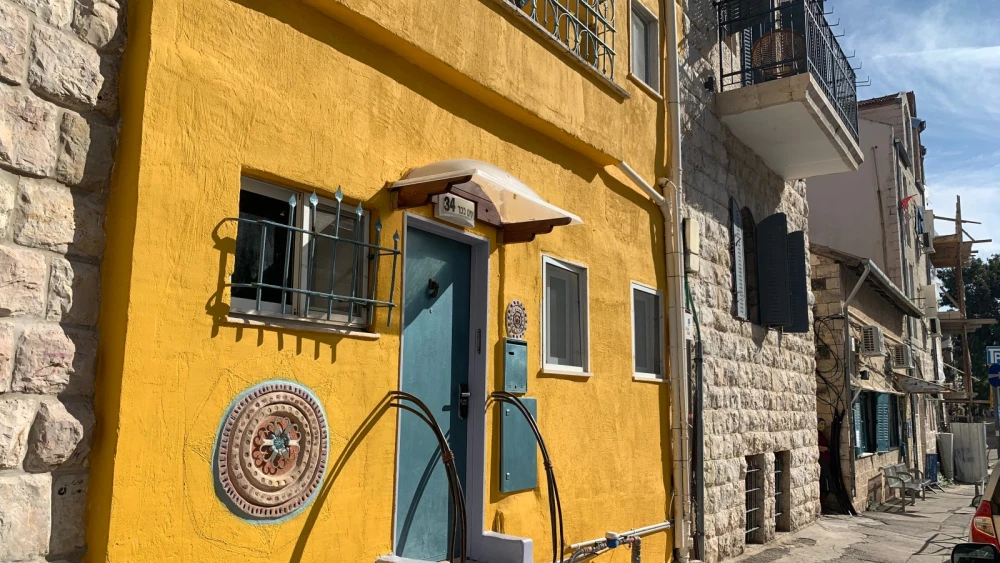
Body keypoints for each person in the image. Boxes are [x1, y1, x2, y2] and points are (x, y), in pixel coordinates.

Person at [818, 418, 831, 498]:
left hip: (826, 460)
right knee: (823, 483)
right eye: (821, 423)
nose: (823, 426)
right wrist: (825, 449)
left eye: (824, 424)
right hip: (822, 460)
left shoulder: (821, 434)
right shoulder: (817, 434)